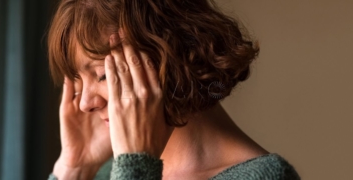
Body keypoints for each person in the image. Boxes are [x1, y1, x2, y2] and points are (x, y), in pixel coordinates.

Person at [47, 0, 300, 179]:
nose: (85, 103)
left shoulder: (265, 177)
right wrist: (73, 170)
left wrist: (135, 166)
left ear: (170, 56)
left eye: (103, 75)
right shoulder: (107, 172)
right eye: (77, 80)